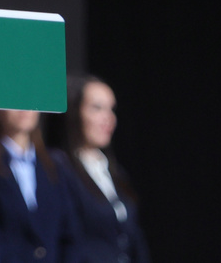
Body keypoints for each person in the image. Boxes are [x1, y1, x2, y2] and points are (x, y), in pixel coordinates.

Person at [49, 75, 151, 263]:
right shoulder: (59, 167)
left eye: (111, 109)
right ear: (74, 112)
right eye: (97, 108)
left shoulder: (115, 172)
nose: (109, 118)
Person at [0, 108, 79, 262]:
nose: (23, 108)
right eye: (13, 99)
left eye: (29, 98)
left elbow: (70, 235)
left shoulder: (55, 166)